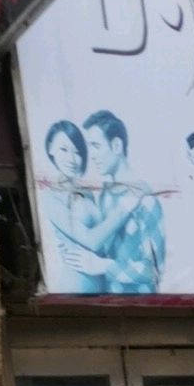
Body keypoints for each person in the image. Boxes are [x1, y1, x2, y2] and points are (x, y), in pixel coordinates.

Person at [56, 110, 165, 294]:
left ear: (116, 145)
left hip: (142, 309)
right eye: (89, 148)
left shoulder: (146, 200)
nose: (92, 156)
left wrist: (105, 267)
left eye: (96, 146)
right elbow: (101, 248)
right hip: (107, 307)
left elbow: (154, 272)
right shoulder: (105, 194)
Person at [43, 120, 144, 295]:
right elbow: (92, 240)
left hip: (102, 284)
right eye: (64, 150)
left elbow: (104, 243)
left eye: (77, 152)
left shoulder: (86, 193)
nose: (72, 159)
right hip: (75, 286)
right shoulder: (50, 197)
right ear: (51, 148)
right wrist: (124, 210)